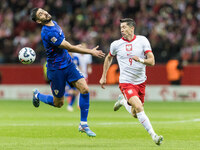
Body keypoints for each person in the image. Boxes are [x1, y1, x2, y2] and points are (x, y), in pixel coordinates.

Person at [30, 8, 105, 137]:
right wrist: (90, 51)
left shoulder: (55, 23)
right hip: (56, 69)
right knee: (58, 103)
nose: (45, 13)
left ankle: (83, 124)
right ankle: (38, 95)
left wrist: (74, 47)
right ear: (38, 21)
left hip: (68, 64)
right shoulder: (48, 33)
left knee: (85, 89)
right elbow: (68, 47)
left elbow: (65, 46)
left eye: (43, 11)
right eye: (40, 14)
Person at [99, 18, 163, 145]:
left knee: (135, 113)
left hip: (141, 82)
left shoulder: (142, 40)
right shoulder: (116, 44)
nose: (122, 30)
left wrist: (140, 60)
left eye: (124, 27)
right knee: (139, 107)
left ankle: (122, 101)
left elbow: (152, 61)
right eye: (121, 27)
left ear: (132, 28)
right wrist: (103, 76)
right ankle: (154, 136)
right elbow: (108, 58)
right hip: (126, 82)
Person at [66, 44, 93, 112]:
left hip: (83, 74)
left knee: (81, 90)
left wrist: (88, 69)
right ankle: (73, 103)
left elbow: (85, 65)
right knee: (75, 91)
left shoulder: (87, 56)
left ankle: (77, 104)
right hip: (73, 75)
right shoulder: (76, 55)